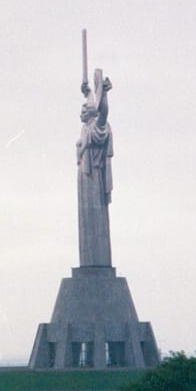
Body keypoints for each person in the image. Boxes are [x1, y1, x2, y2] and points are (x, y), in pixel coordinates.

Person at [77, 71, 113, 266]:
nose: (81, 111)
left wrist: (104, 94)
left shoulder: (97, 127)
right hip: (84, 180)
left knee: (96, 220)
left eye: (85, 109)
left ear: (92, 112)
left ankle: (97, 262)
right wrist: (89, 92)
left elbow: (103, 113)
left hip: (93, 182)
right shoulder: (85, 128)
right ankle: (88, 261)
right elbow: (93, 104)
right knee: (85, 224)